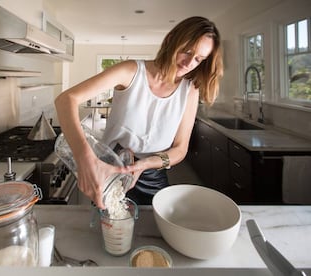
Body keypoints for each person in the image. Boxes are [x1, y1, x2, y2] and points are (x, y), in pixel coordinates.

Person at [55, 16, 223, 209]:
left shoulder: (190, 90)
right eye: (187, 51)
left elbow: (180, 149)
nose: (189, 63)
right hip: (112, 167)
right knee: (110, 233)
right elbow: (65, 100)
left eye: (198, 59)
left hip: (152, 174)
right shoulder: (131, 71)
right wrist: (85, 158)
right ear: (170, 40)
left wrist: (145, 165)